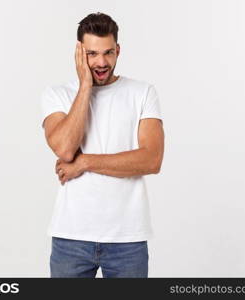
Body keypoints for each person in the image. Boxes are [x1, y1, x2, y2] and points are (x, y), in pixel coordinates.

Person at [40, 12, 165, 278]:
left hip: (127, 239)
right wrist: (85, 85)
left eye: (108, 53)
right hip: (70, 237)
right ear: (79, 52)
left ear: (118, 50)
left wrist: (84, 162)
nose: (101, 62)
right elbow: (64, 149)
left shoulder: (143, 93)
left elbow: (151, 160)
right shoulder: (58, 95)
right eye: (92, 54)